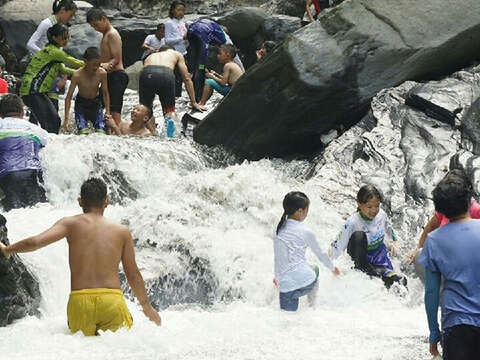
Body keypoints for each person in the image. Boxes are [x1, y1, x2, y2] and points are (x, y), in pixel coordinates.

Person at [0, 178, 162, 335]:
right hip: (111, 301)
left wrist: (8, 249)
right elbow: (133, 274)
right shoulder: (121, 231)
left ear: (80, 201)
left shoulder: (69, 224)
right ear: (107, 202)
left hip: (80, 303)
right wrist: (147, 308)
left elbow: (35, 242)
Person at [419, 172, 480, 359]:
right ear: (469, 200)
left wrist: (433, 332)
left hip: (455, 325)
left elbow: (431, 292)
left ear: (440, 208)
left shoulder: (434, 241)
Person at [274, 191, 340, 311]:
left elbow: (278, 257)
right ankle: (313, 306)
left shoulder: (278, 230)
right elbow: (321, 254)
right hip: (305, 281)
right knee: (314, 269)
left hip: (285, 287)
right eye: (306, 210)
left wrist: (277, 278)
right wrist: (332, 268)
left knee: (287, 319)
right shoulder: (305, 231)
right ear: (300, 211)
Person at [404, 168, 480, 272]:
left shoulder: (475, 210)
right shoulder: (446, 205)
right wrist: (417, 248)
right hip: (447, 258)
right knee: (420, 256)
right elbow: (431, 226)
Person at [329, 185, 405, 288]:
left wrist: (394, 242)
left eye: (377, 206)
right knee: (358, 236)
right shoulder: (352, 223)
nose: (374, 210)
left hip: (379, 256)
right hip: (361, 257)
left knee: (400, 282)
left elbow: (388, 228)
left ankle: (382, 274)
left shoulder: (381, 215)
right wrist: (331, 265)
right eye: (369, 207)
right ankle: (364, 271)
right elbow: (338, 245)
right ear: (359, 205)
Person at [20, 24, 83, 134]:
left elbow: (63, 69)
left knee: (54, 121)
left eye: (68, 37)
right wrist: (96, 65)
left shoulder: (49, 50)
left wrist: (81, 73)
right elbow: (73, 61)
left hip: (34, 91)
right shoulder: (55, 52)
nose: (67, 40)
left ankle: (48, 145)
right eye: (64, 38)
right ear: (54, 38)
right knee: (49, 123)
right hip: (32, 90)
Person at [139, 45, 204, 137]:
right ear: (171, 50)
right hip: (165, 73)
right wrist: (193, 102)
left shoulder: (151, 56)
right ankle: (171, 137)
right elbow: (186, 78)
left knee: (147, 108)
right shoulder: (176, 54)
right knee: (169, 111)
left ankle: (151, 134)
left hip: (145, 73)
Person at [0, 94, 48, 211]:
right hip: (34, 172)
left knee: (14, 214)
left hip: (8, 174)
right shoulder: (34, 128)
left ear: (0, 114)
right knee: (35, 211)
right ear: (22, 112)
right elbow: (46, 144)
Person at [26, 0, 77, 108]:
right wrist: (46, 55)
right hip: (39, 68)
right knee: (40, 104)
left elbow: (59, 52)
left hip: (53, 69)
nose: (71, 18)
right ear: (63, 10)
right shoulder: (46, 23)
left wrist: (63, 71)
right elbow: (30, 44)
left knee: (52, 104)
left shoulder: (61, 27)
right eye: (71, 15)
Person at [87, 8, 128, 127]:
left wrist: (104, 66)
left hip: (117, 76)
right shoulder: (106, 34)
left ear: (104, 19)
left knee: (114, 111)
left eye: (96, 25)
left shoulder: (112, 34)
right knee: (98, 105)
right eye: (93, 27)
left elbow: (116, 59)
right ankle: (103, 130)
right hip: (109, 76)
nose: (95, 28)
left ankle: (116, 135)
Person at [186, 18, 244, 100]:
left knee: (205, 76)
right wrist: (214, 74)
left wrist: (209, 74)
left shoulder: (228, 64)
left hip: (232, 90)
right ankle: (198, 97)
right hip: (234, 88)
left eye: (220, 54)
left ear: (227, 55)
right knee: (200, 67)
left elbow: (224, 82)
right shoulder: (230, 64)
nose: (217, 56)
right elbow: (226, 79)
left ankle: (200, 101)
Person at [63, 47, 110, 134]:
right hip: (81, 105)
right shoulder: (77, 75)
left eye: (98, 64)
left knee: (101, 132)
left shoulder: (102, 73)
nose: (96, 67)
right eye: (93, 64)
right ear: (85, 61)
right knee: (83, 132)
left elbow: (105, 93)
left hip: (95, 104)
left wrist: (107, 112)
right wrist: (66, 119)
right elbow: (68, 97)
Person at [164, 1, 188, 97]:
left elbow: (185, 41)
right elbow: (167, 40)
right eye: (178, 10)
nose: (181, 12)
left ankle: (179, 95)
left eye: (183, 10)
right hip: (174, 54)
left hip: (184, 53)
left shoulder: (183, 23)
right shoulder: (169, 23)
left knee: (182, 77)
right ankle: (173, 96)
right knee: (175, 77)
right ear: (173, 10)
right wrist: (182, 38)